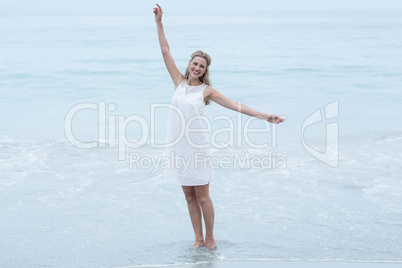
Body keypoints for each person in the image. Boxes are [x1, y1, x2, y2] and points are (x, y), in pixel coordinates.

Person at [153, 4, 285, 250]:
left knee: (202, 196)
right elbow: (164, 51)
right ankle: (198, 239)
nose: (197, 68)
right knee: (188, 196)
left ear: (205, 71)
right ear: (189, 64)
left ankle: (210, 238)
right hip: (178, 148)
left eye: (202, 66)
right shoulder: (178, 83)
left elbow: (236, 106)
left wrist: (265, 116)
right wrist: (159, 22)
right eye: (195, 63)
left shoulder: (207, 91)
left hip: (197, 148)